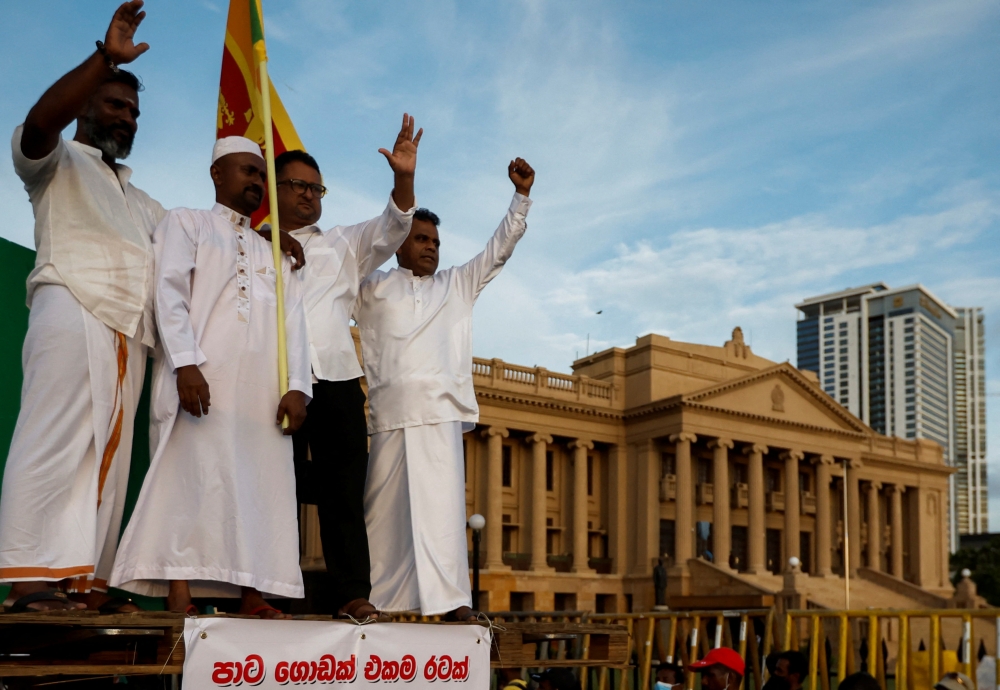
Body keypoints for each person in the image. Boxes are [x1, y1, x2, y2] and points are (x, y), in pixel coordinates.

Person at [0, 0, 160, 613]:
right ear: (87, 105)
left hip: (129, 330)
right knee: (54, 440)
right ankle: (30, 585)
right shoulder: (53, 162)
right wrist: (103, 60)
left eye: (135, 111)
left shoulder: (140, 196)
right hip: (70, 304)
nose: (128, 118)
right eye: (116, 104)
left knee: (109, 456)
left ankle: (83, 585)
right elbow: (41, 121)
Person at [109, 136, 311, 618]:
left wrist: (298, 386)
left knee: (258, 487)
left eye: (261, 174)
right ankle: (181, 594)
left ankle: (253, 593)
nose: (256, 181)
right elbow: (169, 293)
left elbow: (293, 323)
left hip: (261, 391)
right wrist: (186, 362)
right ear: (217, 175)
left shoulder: (275, 253)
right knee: (188, 481)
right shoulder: (188, 223)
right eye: (246, 171)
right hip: (202, 380)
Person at [354, 158, 535, 619]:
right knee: (382, 514)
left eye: (435, 241)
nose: (431, 247)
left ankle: (453, 602)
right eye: (421, 238)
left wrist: (520, 198)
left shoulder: (456, 284)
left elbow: (499, 249)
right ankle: (381, 601)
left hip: (440, 413)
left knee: (441, 514)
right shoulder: (371, 288)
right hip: (389, 414)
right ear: (399, 244)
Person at [275, 113, 421, 621]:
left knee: (344, 492)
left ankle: (353, 593)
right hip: (272, 379)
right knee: (274, 483)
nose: (310, 196)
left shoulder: (342, 242)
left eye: (317, 188)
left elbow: (395, 224)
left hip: (334, 379)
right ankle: (269, 590)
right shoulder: (248, 244)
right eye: (298, 185)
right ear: (274, 189)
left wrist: (403, 177)